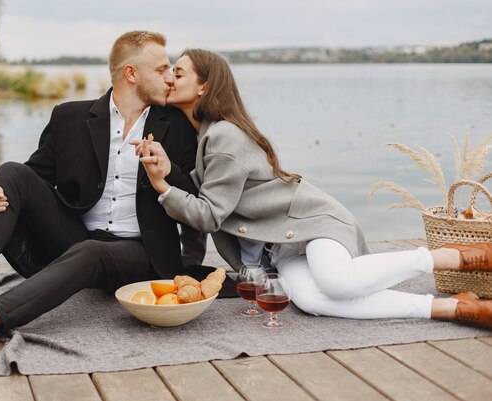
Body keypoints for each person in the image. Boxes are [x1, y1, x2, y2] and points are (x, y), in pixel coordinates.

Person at [132, 48, 492, 329]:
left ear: (204, 86)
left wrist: (162, 185)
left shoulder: (223, 135)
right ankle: (453, 307)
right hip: (283, 246)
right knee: (311, 301)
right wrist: (170, 169)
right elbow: (209, 193)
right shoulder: (208, 134)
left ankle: (454, 256)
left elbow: (209, 215)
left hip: (312, 223)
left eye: (177, 72)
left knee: (337, 282)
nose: (169, 80)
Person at [0, 31, 206, 356]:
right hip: (73, 238)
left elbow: (194, 204)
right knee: (11, 172)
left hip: (141, 253)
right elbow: (28, 181)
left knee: (92, 251)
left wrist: (168, 174)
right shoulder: (70, 117)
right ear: (131, 73)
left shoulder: (178, 126)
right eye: (161, 70)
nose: (170, 79)